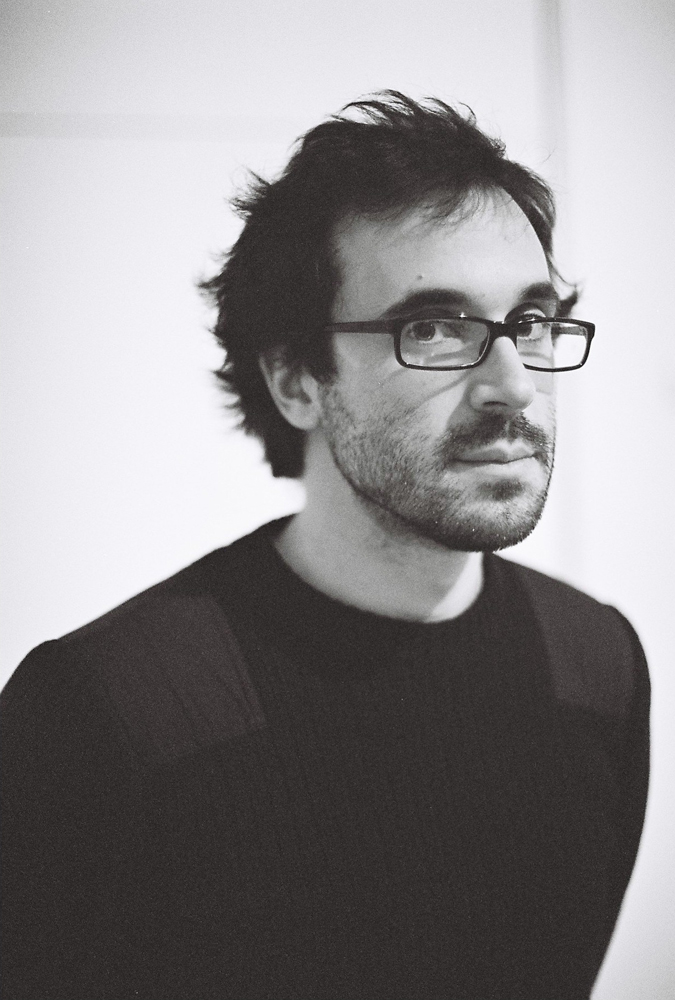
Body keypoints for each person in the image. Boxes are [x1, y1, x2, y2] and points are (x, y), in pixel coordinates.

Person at [1, 93, 649, 1000]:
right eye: (434, 328)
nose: (512, 384)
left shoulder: (595, 667)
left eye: (531, 323)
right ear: (297, 379)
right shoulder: (110, 709)